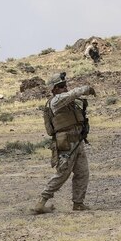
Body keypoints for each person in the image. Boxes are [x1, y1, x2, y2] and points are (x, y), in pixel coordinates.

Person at [34, 73, 95, 214]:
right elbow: (71, 95)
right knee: (62, 174)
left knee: (82, 173)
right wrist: (86, 88)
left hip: (77, 141)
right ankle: (41, 201)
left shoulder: (67, 100)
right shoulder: (56, 101)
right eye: (61, 86)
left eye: (65, 85)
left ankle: (78, 203)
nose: (65, 88)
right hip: (66, 144)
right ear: (54, 89)